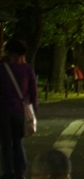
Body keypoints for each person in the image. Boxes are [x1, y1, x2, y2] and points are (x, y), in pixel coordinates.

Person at [0, 39, 37, 179]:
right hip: (20, 110)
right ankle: (20, 170)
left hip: (3, 110)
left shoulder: (2, 69)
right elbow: (33, 92)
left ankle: (7, 171)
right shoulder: (27, 69)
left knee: (5, 143)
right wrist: (34, 112)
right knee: (17, 141)